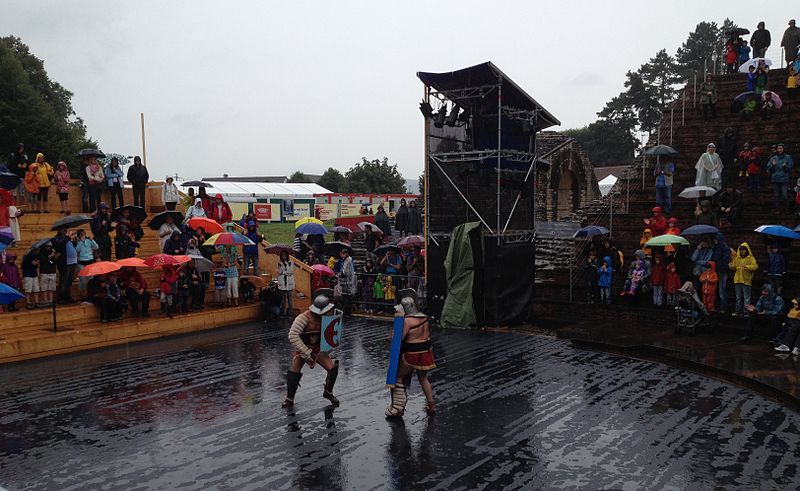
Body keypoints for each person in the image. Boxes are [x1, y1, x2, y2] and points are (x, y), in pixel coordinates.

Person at [283, 288, 341, 408]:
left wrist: (325, 349)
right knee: (294, 372)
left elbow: (330, 336)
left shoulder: (326, 319)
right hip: (303, 349)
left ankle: (328, 392)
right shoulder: (303, 318)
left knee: (332, 369)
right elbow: (293, 335)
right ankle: (289, 399)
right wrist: (306, 352)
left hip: (318, 350)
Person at [386, 289, 436, 417]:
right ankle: (431, 405)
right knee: (423, 378)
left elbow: (399, 339)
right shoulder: (424, 317)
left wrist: (391, 335)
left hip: (412, 355)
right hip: (426, 353)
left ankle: (398, 408)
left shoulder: (407, 321)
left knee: (397, 377)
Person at [730, 242, 758, 316]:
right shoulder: (737, 258)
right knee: (738, 298)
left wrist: (747, 267)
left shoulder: (751, 258)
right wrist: (731, 266)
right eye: (741, 250)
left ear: (747, 250)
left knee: (746, 298)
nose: (742, 251)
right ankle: (737, 312)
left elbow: (755, 266)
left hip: (746, 280)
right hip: (738, 280)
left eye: (744, 250)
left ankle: (746, 313)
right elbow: (733, 266)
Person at [766, 143, 794, 214]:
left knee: (785, 195)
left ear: (783, 149)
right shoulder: (773, 158)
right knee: (776, 195)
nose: (780, 150)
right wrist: (773, 165)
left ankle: (787, 209)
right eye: (778, 148)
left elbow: (790, 169)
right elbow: (768, 170)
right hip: (775, 179)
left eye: (781, 148)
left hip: (784, 179)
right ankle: (777, 210)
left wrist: (785, 167)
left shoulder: (788, 157)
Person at [52, 227, 77, 304]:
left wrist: (74, 241)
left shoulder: (66, 238)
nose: (65, 230)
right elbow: (59, 245)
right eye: (63, 229)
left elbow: (72, 246)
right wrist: (68, 237)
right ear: (59, 230)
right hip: (64, 263)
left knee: (69, 281)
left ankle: (68, 296)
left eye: (65, 229)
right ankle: (61, 298)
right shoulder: (56, 239)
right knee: (64, 281)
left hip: (73, 262)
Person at [74, 229, 98, 299]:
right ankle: (83, 294)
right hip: (81, 262)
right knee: (83, 279)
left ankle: (90, 293)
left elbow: (96, 247)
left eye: (83, 234)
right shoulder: (78, 242)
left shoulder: (89, 241)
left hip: (90, 261)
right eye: (81, 234)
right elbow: (76, 250)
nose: (82, 235)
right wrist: (79, 242)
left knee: (91, 278)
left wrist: (92, 240)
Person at [710, 233, 731, 312]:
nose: (714, 241)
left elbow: (725, 260)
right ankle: (718, 305)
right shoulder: (716, 247)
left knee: (722, 289)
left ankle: (723, 306)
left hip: (722, 271)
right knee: (717, 289)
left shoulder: (725, 248)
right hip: (716, 270)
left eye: (715, 239)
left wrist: (718, 266)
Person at [337, 247, 355, 315]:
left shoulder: (348, 260)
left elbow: (345, 272)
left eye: (342, 254)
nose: (341, 255)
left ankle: (347, 312)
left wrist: (340, 274)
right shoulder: (345, 260)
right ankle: (347, 311)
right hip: (346, 281)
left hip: (348, 281)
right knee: (346, 297)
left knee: (347, 297)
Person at [277, 250, 295, 317]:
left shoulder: (290, 262)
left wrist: (284, 272)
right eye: (282, 255)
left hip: (289, 282)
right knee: (283, 299)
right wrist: (282, 269)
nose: (283, 256)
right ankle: (283, 313)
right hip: (282, 282)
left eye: (284, 255)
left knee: (289, 298)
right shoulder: (279, 263)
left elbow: (290, 272)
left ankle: (290, 313)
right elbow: (279, 272)